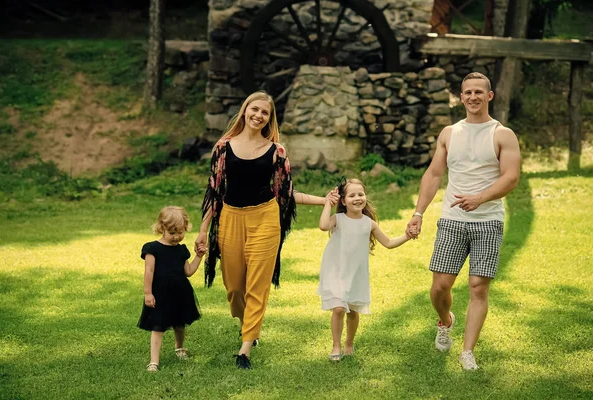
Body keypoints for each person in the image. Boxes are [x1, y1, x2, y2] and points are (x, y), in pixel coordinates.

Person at [194, 91, 338, 369]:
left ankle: (245, 348)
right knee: (235, 288)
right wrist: (203, 230)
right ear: (245, 110)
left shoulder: (276, 151)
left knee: (257, 286)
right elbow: (214, 190)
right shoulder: (223, 147)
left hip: (265, 220)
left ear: (270, 120)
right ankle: (246, 323)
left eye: (265, 113)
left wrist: (324, 200)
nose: (258, 116)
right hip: (230, 218)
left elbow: (285, 192)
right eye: (255, 109)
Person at [405, 72, 521, 370]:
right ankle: (445, 321)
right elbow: (433, 175)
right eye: (467, 92)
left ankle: (467, 352)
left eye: (478, 92)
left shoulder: (502, 134)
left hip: (488, 221)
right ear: (461, 96)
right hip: (452, 220)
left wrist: (480, 198)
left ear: (489, 96)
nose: (473, 97)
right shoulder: (449, 133)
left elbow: (511, 178)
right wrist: (418, 214)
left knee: (478, 286)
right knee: (440, 287)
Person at [318, 178, 412, 361]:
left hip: (356, 273)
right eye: (352, 195)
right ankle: (336, 345)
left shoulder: (369, 223)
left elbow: (389, 243)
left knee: (352, 310)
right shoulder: (338, 219)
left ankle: (349, 343)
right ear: (343, 201)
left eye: (360, 194)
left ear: (365, 197)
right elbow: (323, 226)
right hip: (336, 270)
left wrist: (407, 236)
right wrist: (328, 204)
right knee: (338, 308)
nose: (357, 198)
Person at [138, 206, 203, 372]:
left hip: (180, 293)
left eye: (180, 233)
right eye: (172, 233)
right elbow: (149, 271)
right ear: (162, 228)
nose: (177, 237)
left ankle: (179, 348)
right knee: (158, 327)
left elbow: (188, 272)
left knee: (179, 325)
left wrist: (199, 256)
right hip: (160, 294)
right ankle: (154, 362)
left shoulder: (181, 250)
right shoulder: (152, 249)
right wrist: (148, 293)